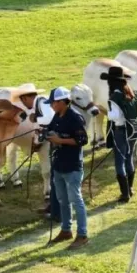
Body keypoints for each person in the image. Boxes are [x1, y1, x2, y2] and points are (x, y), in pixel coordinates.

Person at [46, 87, 90, 248]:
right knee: (62, 200)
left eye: (53, 102)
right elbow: (51, 130)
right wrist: (45, 134)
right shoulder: (57, 116)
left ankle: (82, 234)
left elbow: (82, 140)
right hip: (58, 165)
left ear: (62, 102)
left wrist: (60, 141)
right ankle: (66, 230)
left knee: (75, 200)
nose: (51, 105)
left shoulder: (75, 118)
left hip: (72, 166)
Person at [102, 66, 137, 203]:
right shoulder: (133, 93)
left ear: (111, 82)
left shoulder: (114, 97)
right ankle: (130, 189)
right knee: (129, 158)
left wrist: (103, 110)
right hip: (133, 132)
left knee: (119, 161)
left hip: (120, 131)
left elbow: (114, 117)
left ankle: (125, 194)